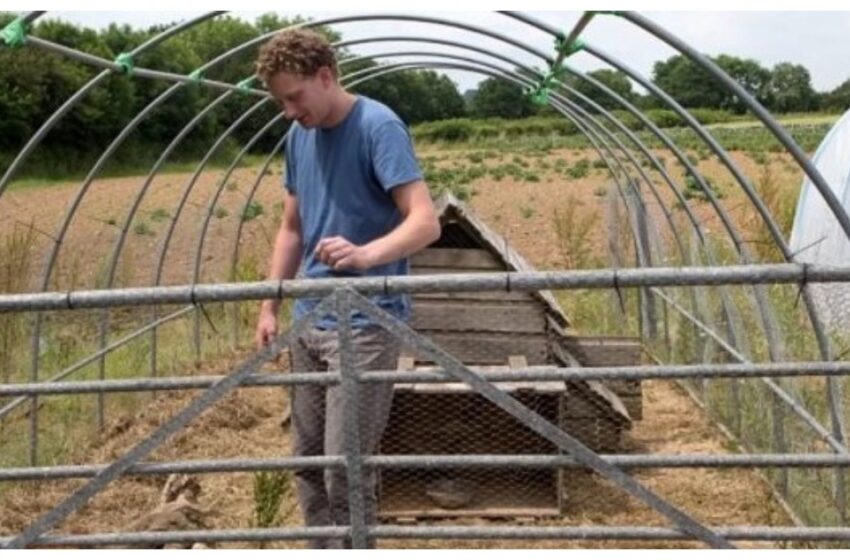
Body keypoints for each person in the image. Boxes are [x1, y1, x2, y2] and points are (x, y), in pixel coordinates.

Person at [253, 29, 441, 548]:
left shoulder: (378, 126)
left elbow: (425, 222)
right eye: (280, 102)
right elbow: (292, 228)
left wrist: (365, 255)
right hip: (309, 321)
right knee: (308, 463)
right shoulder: (298, 136)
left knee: (345, 468)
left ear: (326, 77)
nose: (289, 111)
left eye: (295, 97)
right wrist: (270, 304)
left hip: (365, 322)